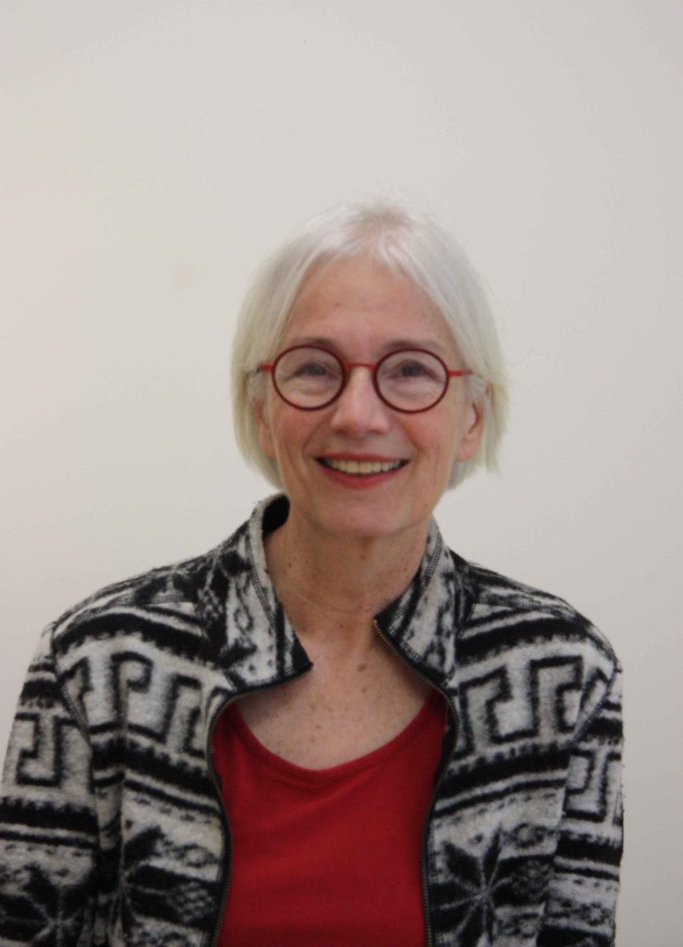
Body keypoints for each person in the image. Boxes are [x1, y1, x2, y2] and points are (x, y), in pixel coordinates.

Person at [0, 199, 623, 947]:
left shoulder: (564, 673)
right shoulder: (95, 663)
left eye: (411, 370)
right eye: (314, 367)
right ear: (262, 408)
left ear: (472, 418)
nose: (358, 415)